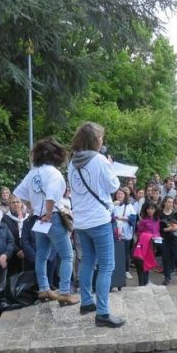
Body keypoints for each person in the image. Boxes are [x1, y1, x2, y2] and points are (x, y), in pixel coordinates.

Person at [68, 122, 124, 327]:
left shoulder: (72, 162)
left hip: (81, 221)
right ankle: (102, 312)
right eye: (100, 137)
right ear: (94, 140)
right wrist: (110, 165)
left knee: (88, 262)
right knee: (107, 265)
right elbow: (113, 186)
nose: (102, 141)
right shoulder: (100, 160)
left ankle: (86, 302)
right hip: (99, 220)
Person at [14, 137, 79, 306]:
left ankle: (43, 288)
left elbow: (19, 193)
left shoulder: (32, 173)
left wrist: (33, 209)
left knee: (41, 256)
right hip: (53, 217)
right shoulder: (54, 173)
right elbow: (51, 196)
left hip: (37, 219)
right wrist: (49, 214)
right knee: (67, 255)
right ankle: (64, 292)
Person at [112, 188, 136, 280]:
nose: (119, 195)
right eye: (118, 194)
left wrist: (123, 218)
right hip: (115, 231)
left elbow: (133, 217)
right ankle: (117, 270)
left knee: (125, 253)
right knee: (116, 252)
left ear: (125, 196)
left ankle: (126, 270)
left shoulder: (129, 206)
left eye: (121, 194)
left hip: (125, 232)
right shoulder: (112, 205)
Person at [2, 195, 29, 275]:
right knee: (14, 274)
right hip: (13, 249)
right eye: (13, 202)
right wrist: (17, 250)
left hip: (27, 248)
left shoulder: (28, 217)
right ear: (9, 205)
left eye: (18, 202)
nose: (16, 204)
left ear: (21, 204)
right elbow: (6, 237)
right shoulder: (5, 218)